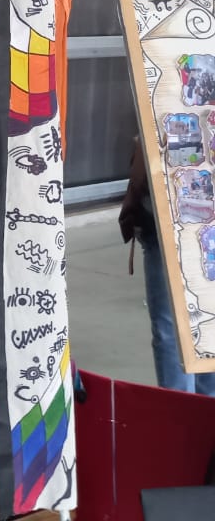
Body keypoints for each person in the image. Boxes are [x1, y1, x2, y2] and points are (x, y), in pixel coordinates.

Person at [120, 137, 215, 395]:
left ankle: (187, 407)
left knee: (179, 325)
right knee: (189, 323)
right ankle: (189, 406)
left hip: (171, 212)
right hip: (167, 216)